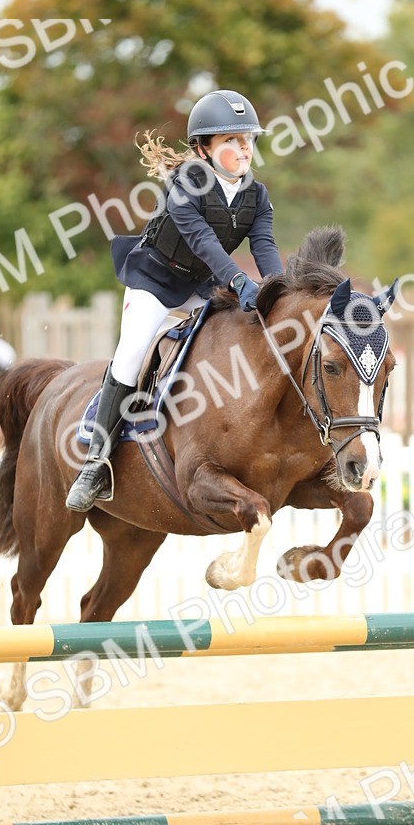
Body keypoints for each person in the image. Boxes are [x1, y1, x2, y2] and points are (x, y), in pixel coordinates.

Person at [65, 88, 284, 511]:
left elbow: (265, 247)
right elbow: (202, 242)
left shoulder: (257, 195)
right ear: (202, 149)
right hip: (157, 281)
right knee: (131, 353)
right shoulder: (185, 184)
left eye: (248, 140)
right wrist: (239, 284)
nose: (243, 149)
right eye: (230, 141)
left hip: (204, 285)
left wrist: (280, 290)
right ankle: (96, 463)